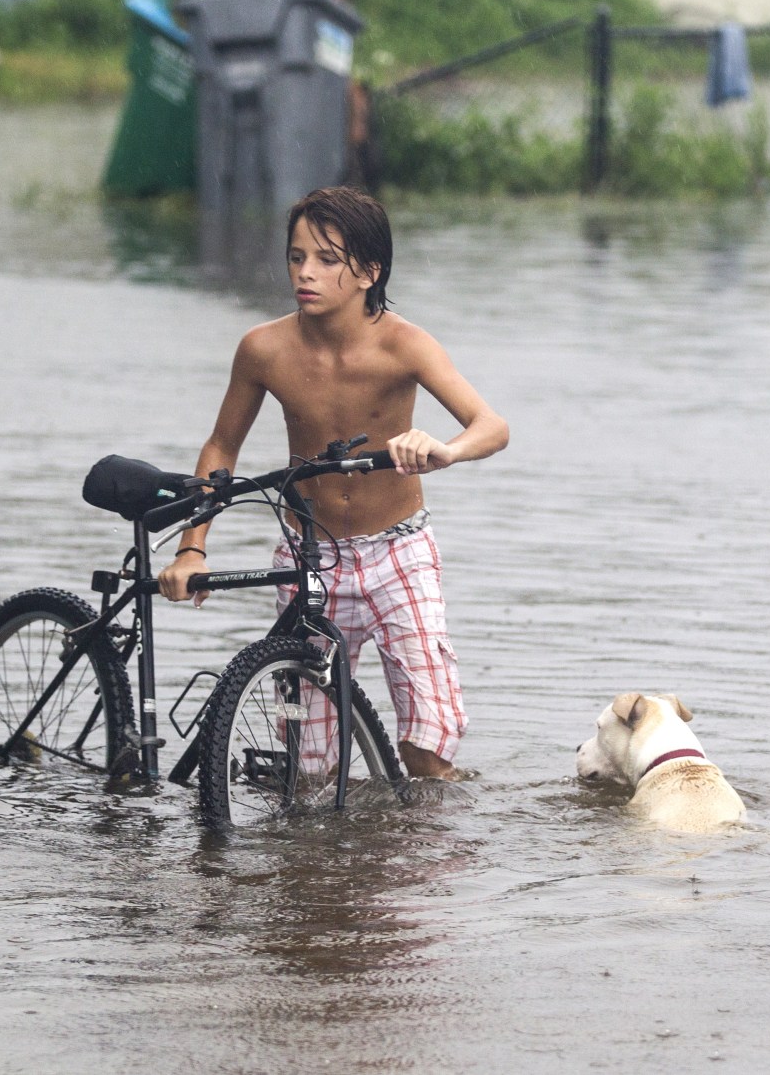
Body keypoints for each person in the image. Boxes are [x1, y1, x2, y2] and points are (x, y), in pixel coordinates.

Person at [158, 186, 508, 780]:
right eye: (296, 257)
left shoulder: (405, 345)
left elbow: (491, 426)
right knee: (312, 770)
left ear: (369, 272)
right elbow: (222, 448)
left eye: (326, 260)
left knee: (427, 750)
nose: (305, 273)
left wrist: (441, 449)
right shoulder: (264, 349)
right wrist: (193, 548)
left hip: (399, 553)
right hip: (308, 556)